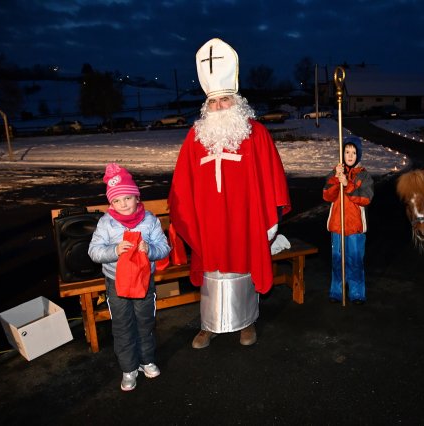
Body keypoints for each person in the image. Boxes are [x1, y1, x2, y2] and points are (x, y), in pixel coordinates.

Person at [168, 38, 291, 349]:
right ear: (205, 106)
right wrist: (185, 214)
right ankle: (209, 325)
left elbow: (272, 177)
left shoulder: (255, 133)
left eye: (224, 99)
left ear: (237, 101)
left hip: (244, 217)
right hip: (208, 220)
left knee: (243, 261)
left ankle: (246, 321)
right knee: (212, 268)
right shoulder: (195, 137)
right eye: (213, 101)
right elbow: (182, 182)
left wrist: (269, 216)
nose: (219, 106)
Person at [88, 163, 171, 391]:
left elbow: (164, 247)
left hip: (144, 282)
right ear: (111, 203)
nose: (123, 204)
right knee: (123, 325)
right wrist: (114, 250)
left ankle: (146, 361)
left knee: (145, 322)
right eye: (117, 200)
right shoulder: (106, 223)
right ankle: (128, 368)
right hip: (116, 283)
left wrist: (149, 249)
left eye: (127, 198)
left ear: (136, 197)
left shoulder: (149, 220)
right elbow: (93, 251)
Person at [323, 136, 374, 304]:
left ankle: (357, 292)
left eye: (353, 152)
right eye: (347, 152)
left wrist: (348, 184)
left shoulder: (364, 176)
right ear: (342, 153)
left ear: (358, 155)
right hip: (338, 225)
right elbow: (327, 195)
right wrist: (337, 181)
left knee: (355, 259)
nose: (350, 156)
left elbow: (365, 198)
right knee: (337, 259)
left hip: (355, 227)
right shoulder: (335, 172)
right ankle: (336, 291)